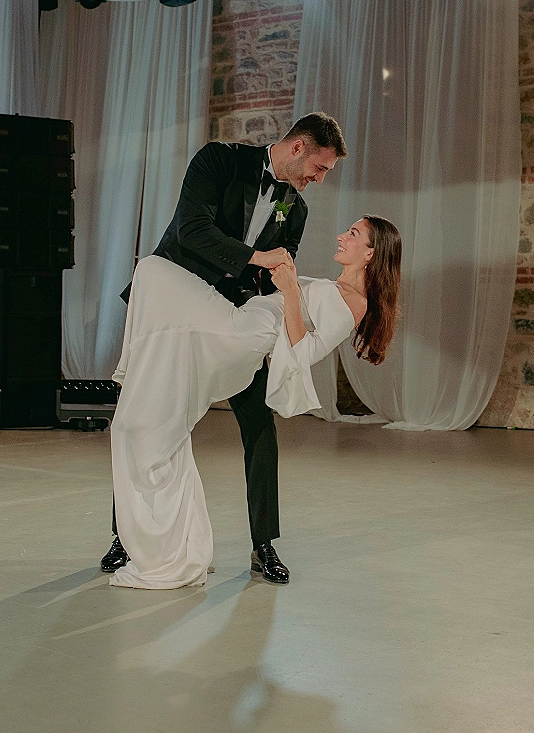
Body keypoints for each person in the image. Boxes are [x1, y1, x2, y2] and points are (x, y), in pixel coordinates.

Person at [100, 112, 348, 583]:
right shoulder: (218, 159)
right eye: (319, 168)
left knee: (259, 423)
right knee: (145, 419)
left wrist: (277, 320)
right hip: (173, 313)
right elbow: (191, 231)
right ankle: (127, 536)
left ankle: (263, 545)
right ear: (298, 148)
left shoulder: (295, 208)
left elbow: (276, 277)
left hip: (229, 324)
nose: (318, 179)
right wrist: (257, 257)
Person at [108, 215, 401, 589]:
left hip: (240, 334)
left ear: (371, 254)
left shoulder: (356, 303)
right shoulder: (334, 287)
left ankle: (253, 545)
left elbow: (303, 351)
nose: (342, 236)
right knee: (150, 273)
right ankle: (163, 540)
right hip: (237, 319)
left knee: (152, 273)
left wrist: (292, 289)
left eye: (354, 234)